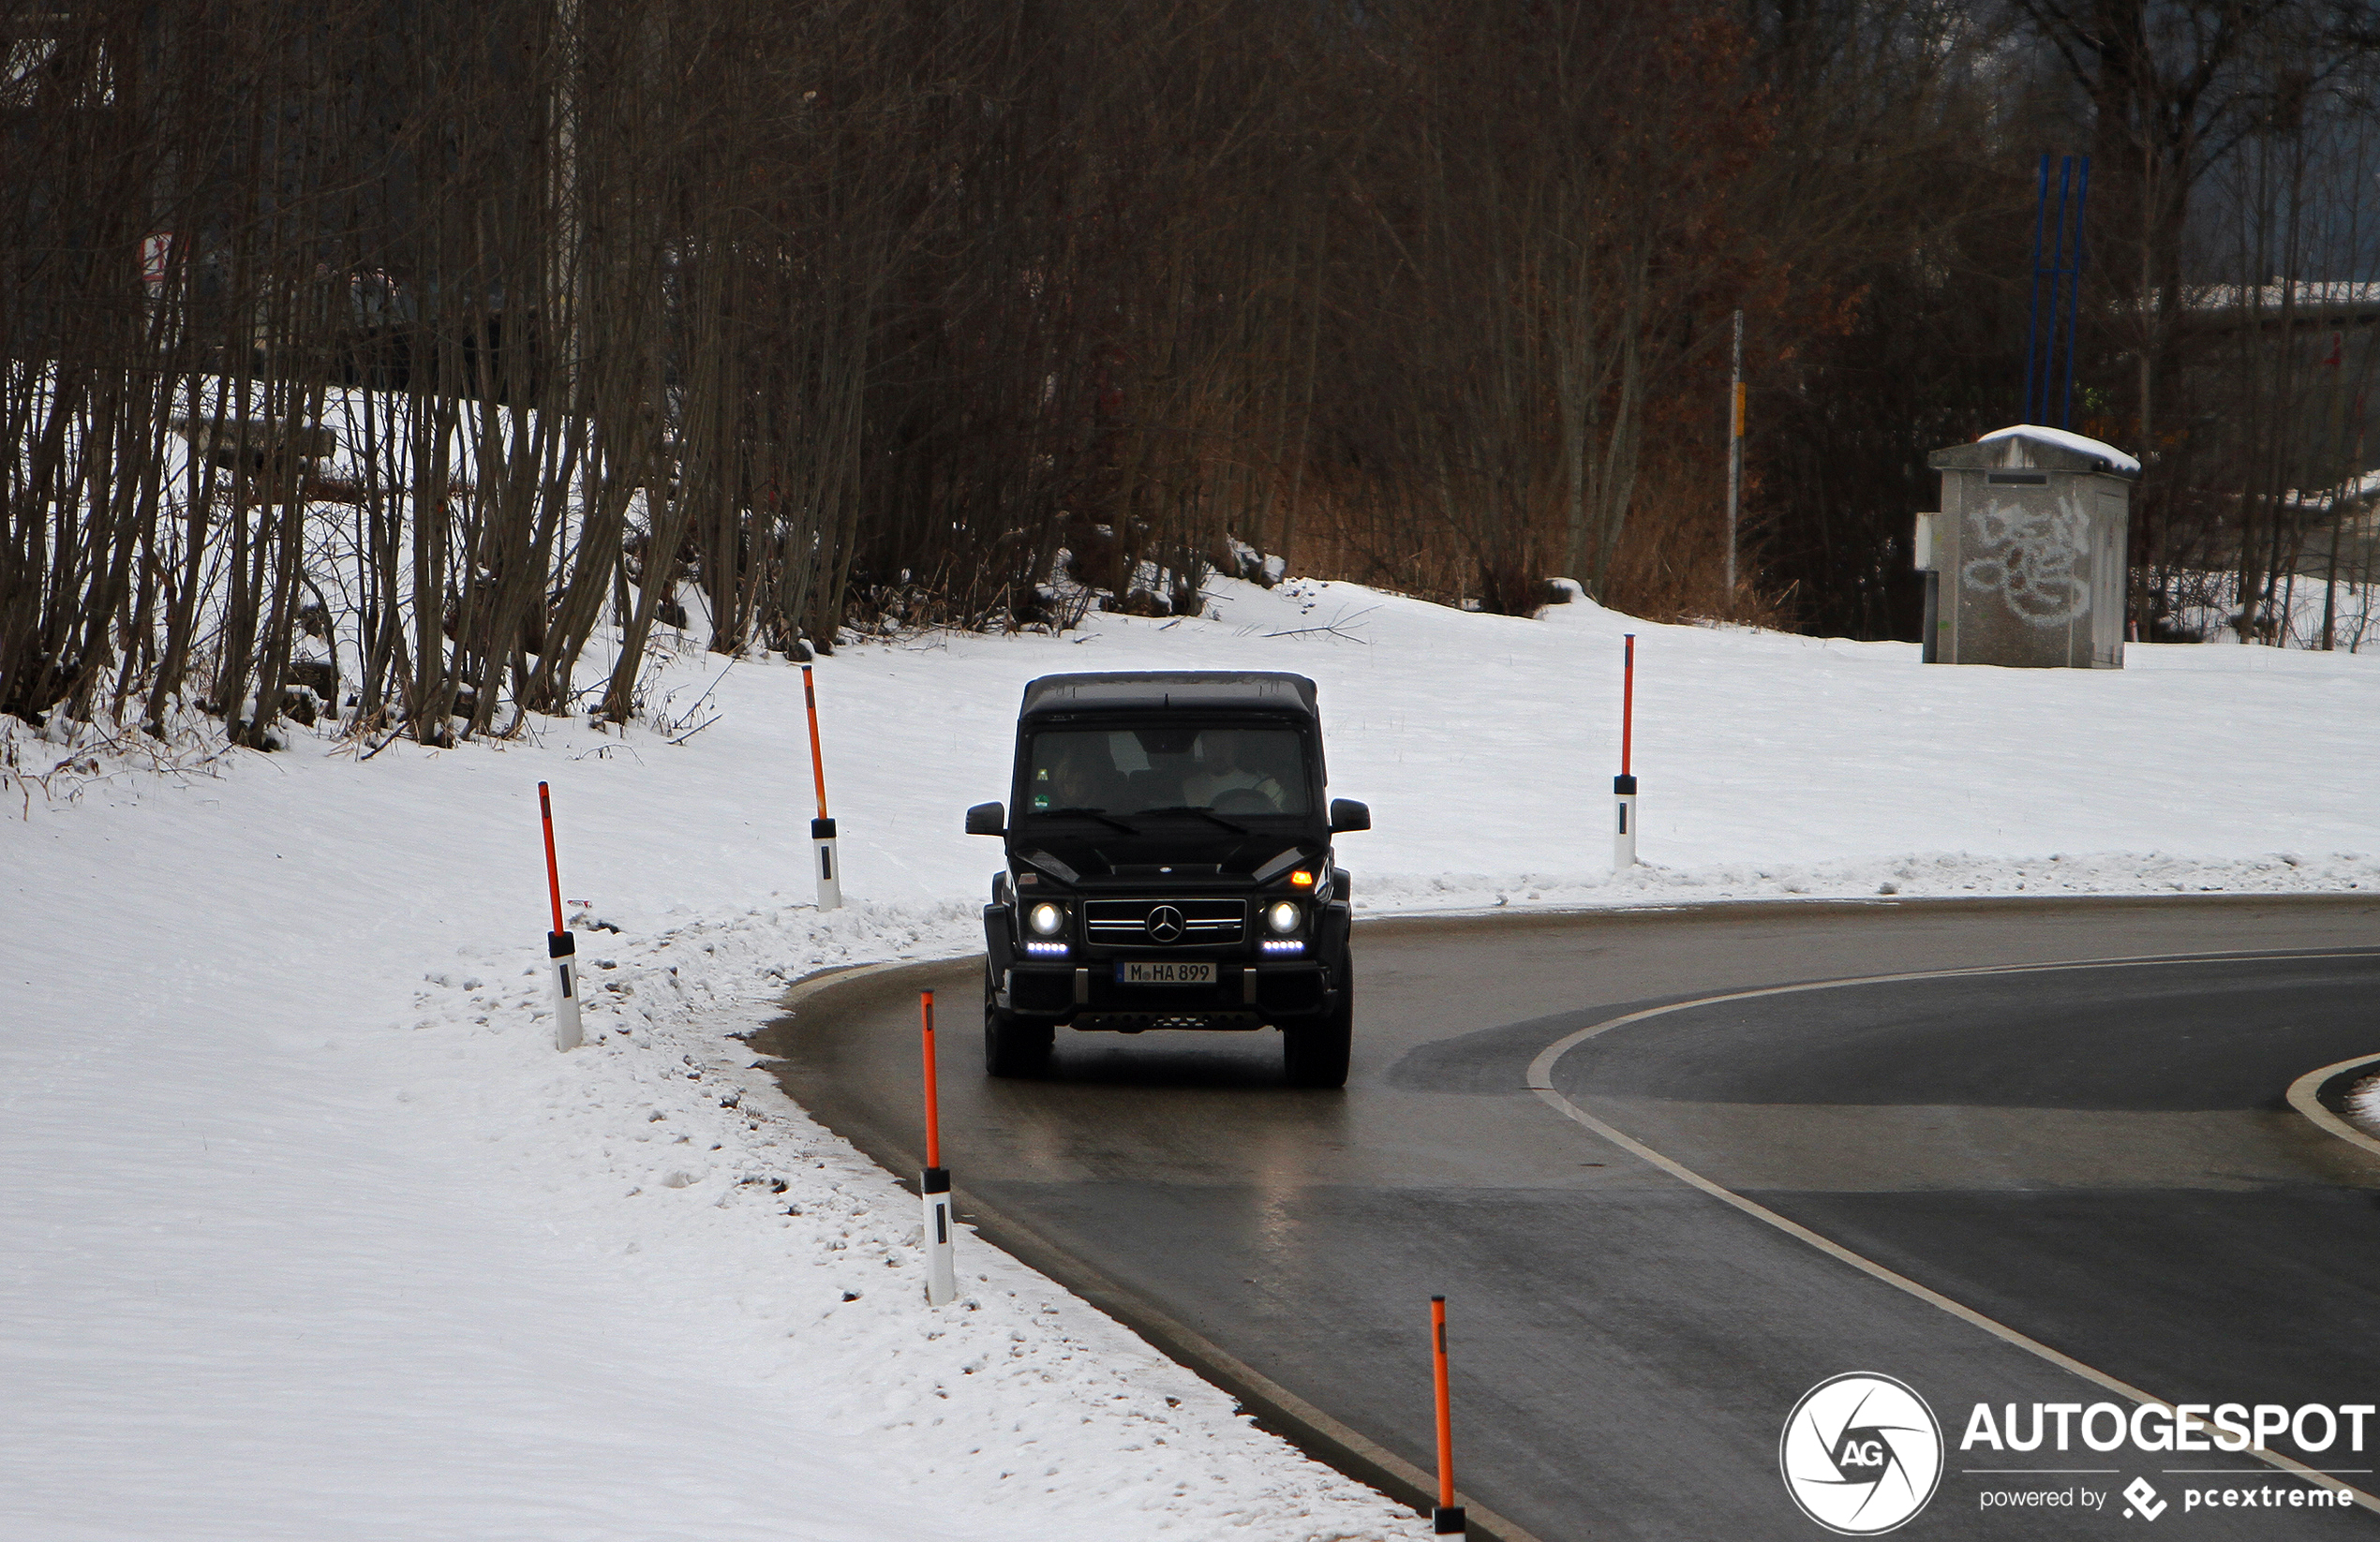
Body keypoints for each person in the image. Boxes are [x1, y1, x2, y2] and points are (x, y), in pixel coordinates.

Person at [1182, 729, 1285, 810]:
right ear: (1204, 750)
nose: (1218, 754)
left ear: (1236, 749)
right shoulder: (1189, 787)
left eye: (1224, 748)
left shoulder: (1263, 786)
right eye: (1212, 748)